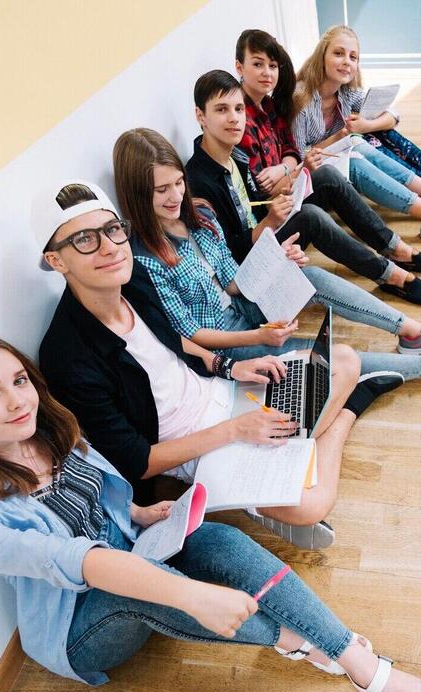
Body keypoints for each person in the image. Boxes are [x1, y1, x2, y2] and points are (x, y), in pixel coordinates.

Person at [0, 331, 421, 692]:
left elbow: (102, 500)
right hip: (82, 629)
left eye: (17, 380)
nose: (17, 400)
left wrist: (139, 515)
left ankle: (355, 664)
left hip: (136, 557)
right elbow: (83, 562)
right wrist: (192, 593)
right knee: (130, 584)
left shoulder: (54, 431)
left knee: (217, 539)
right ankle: (314, 648)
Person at [33, 179, 359, 549]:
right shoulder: (67, 356)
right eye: (85, 240)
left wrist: (228, 367)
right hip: (195, 445)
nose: (110, 248)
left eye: (112, 230)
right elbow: (139, 462)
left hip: (223, 392)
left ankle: (283, 463)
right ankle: (342, 418)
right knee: (311, 505)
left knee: (345, 360)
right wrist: (236, 431)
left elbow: (173, 339)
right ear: (56, 260)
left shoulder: (134, 278)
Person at [117, 127, 421, 390]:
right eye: (160, 190)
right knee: (329, 359)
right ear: (137, 193)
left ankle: (414, 332)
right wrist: (259, 336)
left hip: (244, 302)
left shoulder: (200, 214)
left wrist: (273, 260)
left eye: (177, 183)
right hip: (227, 344)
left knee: (310, 278)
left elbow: (232, 279)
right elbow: (191, 335)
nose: (174, 196)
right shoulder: (143, 260)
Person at [184, 70, 421, 305]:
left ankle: (396, 248)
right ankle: (391, 276)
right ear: (200, 116)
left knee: (325, 175)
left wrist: (289, 188)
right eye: (221, 110)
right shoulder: (199, 181)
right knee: (311, 218)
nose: (234, 119)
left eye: (239, 109)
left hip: (264, 233)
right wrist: (272, 221)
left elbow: (253, 203)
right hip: (250, 265)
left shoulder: (234, 156)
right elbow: (232, 255)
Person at [234, 29, 421, 302]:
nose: (267, 73)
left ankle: (398, 248)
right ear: (239, 67)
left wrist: (288, 168)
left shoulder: (269, 106)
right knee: (321, 197)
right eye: (258, 64)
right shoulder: (243, 119)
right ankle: (391, 273)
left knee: (342, 161)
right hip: (270, 218)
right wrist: (296, 169)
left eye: (272, 66)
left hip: (287, 191)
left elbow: (289, 151)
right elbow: (264, 193)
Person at [291, 26, 421, 242]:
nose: (347, 61)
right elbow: (297, 160)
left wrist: (364, 127)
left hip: (334, 164)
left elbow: (393, 115)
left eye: (353, 57)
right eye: (338, 53)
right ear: (321, 55)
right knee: (355, 152)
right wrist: (340, 137)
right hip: (306, 183)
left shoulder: (345, 94)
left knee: (362, 142)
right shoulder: (301, 98)